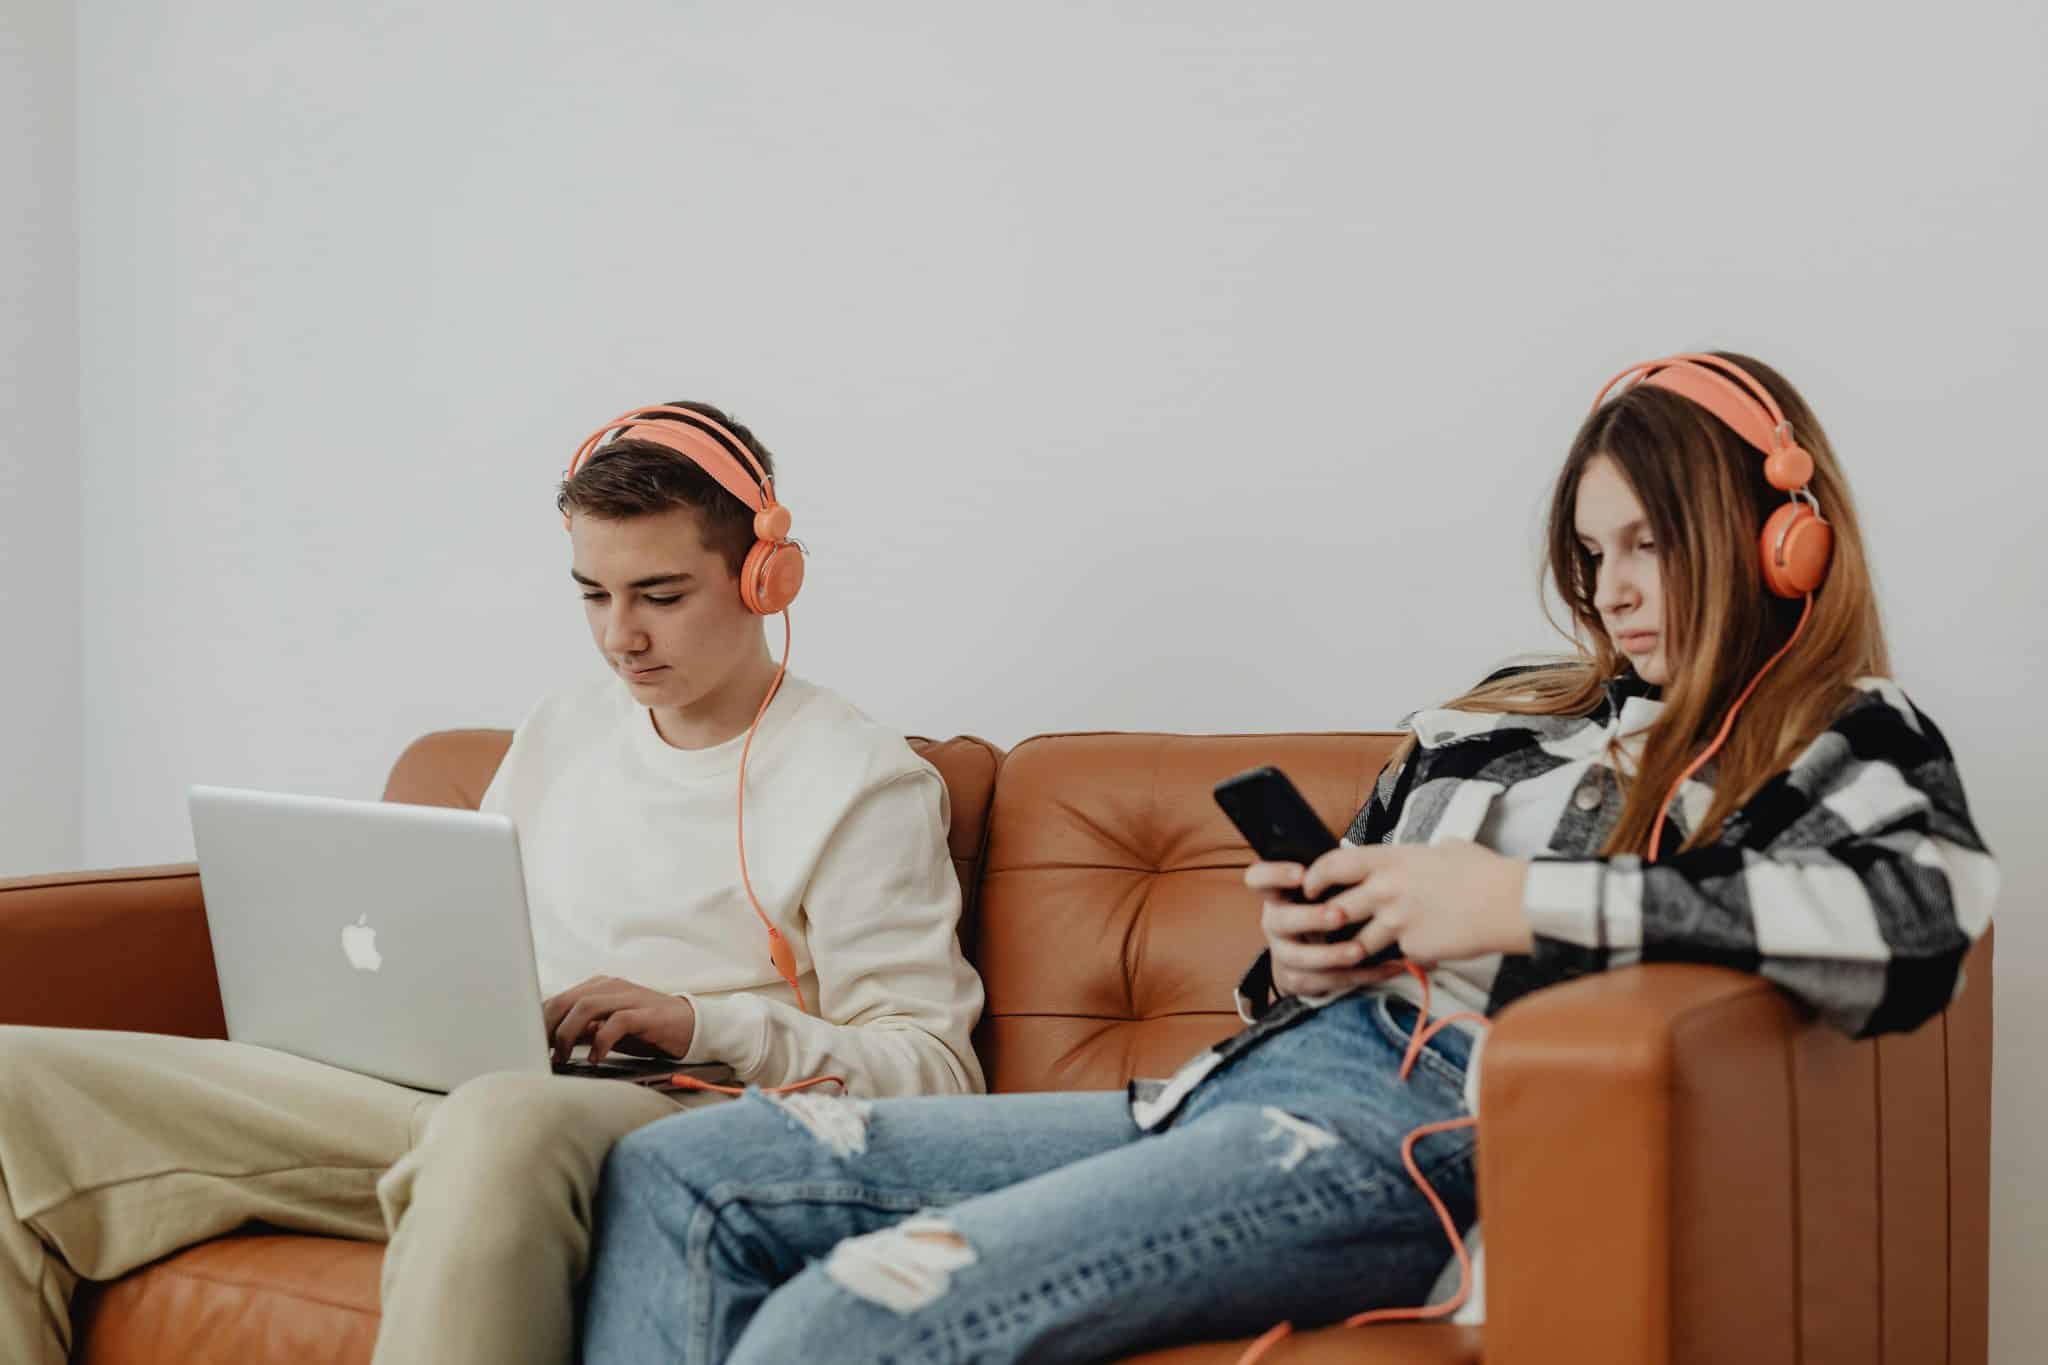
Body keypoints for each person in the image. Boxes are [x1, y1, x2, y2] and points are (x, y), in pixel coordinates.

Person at [578, 355, 1998, 1364]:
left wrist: (1510, 902)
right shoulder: (1491, 719)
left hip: (1405, 1135)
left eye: (1652, 544)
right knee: (690, 1176)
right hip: (1226, 1091)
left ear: (1780, 540)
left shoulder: (1834, 730)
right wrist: (1314, 951)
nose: (1616, 590)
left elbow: (1927, 913)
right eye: (1593, 551)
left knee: (857, 1312)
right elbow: (1290, 977)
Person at [0, 401, 986, 1365]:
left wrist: (698, 1021)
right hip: (476, 1094)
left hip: (678, 1111)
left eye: (661, 594)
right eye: (593, 596)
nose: (620, 637)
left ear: (765, 578)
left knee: (499, 1119)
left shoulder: (859, 782)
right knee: (14, 1080)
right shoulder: (565, 727)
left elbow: (938, 1076)